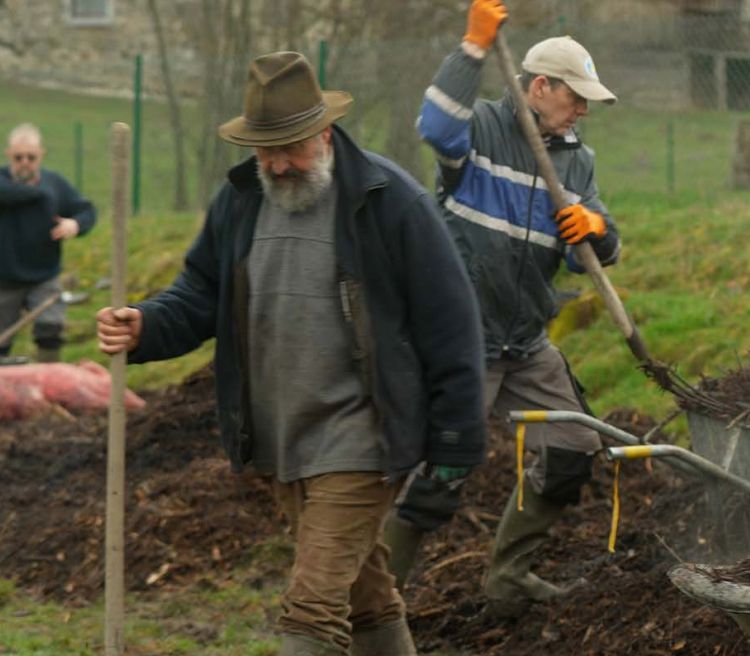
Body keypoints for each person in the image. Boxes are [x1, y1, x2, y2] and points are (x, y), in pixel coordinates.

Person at [95, 51, 486, 656]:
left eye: (290, 148)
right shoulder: (241, 201)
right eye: (264, 150)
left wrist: (456, 438)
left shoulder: (389, 203)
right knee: (366, 596)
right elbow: (200, 293)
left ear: (323, 133)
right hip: (282, 439)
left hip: (363, 437)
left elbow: (451, 322)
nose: (276, 164)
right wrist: (145, 325)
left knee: (311, 609)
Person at [385, 0, 623, 618]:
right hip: (464, 338)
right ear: (539, 87)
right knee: (441, 474)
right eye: (575, 98)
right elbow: (434, 128)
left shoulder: (577, 160)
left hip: (526, 338)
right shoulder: (482, 131)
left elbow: (589, 257)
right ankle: (376, 598)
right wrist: (471, 49)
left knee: (574, 447)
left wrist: (595, 228)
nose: (582, 110)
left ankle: (508, 577)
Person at [1, 123, 96, 364]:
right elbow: (10, 193)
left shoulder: (55, 184)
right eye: (19, 157)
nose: (25, 162)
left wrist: (74, 224)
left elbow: (87, 210)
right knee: (2, 341)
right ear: (8, 154)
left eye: (31, 157)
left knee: (50, 330)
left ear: (41, 155)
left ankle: (48, 380)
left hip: (44, 276)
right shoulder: (7, 183)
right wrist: (40, 194)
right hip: (4, 280)